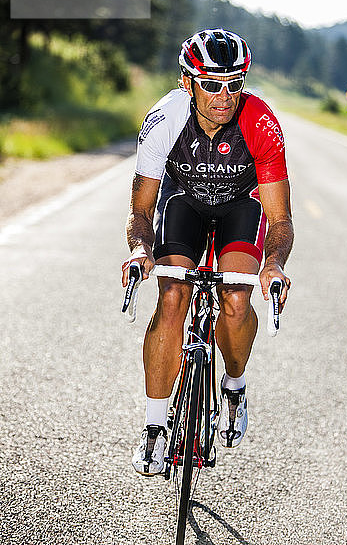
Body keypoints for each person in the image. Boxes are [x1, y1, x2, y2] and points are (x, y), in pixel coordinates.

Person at [122, 28, 293, 476]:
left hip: (240, 206)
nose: (225, 95)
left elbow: (280, 219)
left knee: (236, 302)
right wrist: (141, 251)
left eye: (235, 83)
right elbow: (141, 209)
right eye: (213, 84)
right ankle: (155, 428)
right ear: (187, 82)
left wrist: (272, 266)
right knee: (172, 296)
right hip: (185, 203)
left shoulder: (259, 123)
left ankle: (234, 388)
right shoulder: (164, 120)